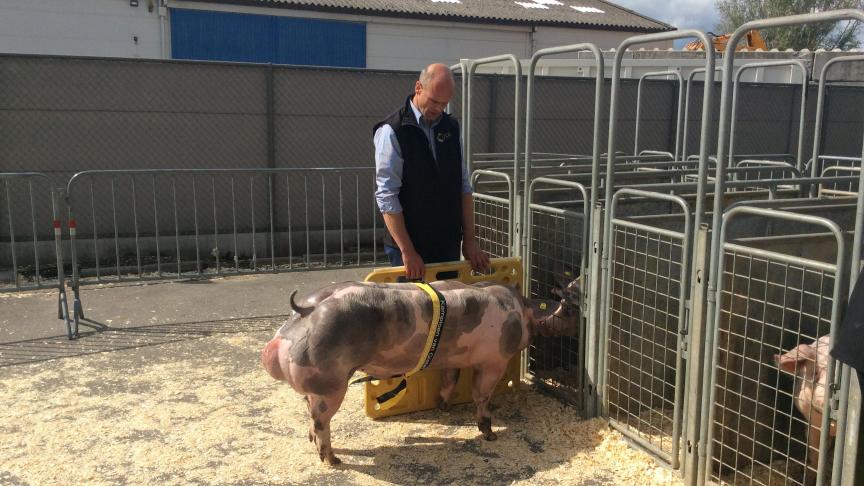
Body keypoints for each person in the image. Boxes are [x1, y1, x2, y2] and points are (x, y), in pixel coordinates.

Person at [373, 63, 490, 280]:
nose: (439, 109)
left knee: (448, 302)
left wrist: (470, 240)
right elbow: (387, 196)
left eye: (444, 104)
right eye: (434, 101)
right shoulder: (393, 131)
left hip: (446, 244)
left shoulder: (451, 127)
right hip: (410, 249)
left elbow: (463, 185)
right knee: (414, 302)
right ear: (418, 87)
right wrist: (407, 251)